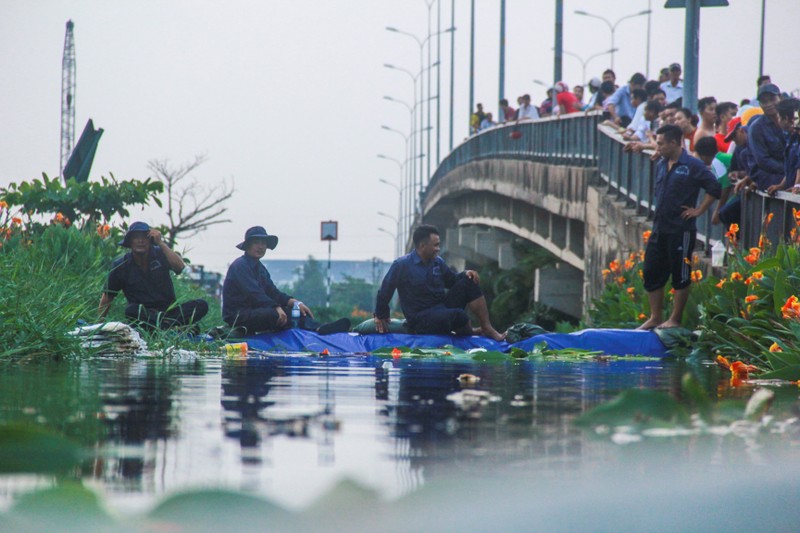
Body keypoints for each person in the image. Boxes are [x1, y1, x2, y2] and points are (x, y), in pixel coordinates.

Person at [637, 125, 721, 330]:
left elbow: (714, 187)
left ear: (674, 142)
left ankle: (675, 318)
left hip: (680, 228)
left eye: (661, 143)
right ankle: (655, 316)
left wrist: (699, 210)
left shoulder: (693, 165)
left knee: (680, 273)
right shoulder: (662, 162)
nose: (658, 147)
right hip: (660, 227)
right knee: (651, 271)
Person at [374, 225, 505, 341]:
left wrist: (466, 273)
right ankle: (469, 333)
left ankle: (487, 328)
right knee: (459, 315)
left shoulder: (438, 262)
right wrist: (381, 315)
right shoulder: (402, 264)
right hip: (420, 318)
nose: (438, 249)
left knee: (469, 282)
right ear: (422, 246)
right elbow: (386, 290)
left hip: (441, 308)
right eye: (435, 245)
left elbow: (452, 281)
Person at [222, 226, 350, 335]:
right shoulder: (240, 266)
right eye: (256, 242)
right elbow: (254, 294)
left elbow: (273, 292)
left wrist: (293, 302)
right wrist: (276, 307)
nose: (260, 246)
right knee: (274, 314)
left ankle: (321, 328)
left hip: (256, 311)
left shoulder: (260, 269)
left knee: (296, 312)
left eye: (263, 243)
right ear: (248, 245)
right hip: (238, 316)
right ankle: (313, 328)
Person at [99, 221, 209, 330]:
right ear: (130, 241)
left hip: (169, 312)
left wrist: (161, 243)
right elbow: (108, 296)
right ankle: (172, 327)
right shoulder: (121, 265)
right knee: (131, 311)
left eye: (144, 237)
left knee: (201, 305)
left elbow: (179, 267)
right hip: (144, 315)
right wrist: (99, 323)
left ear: (150, 240)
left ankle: (165, 325)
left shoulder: (160, 254)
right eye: (136, 237)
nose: (140, 241)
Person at [747, 83, 786, 192]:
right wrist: (788, 171)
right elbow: (763, 161)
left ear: (780, 98)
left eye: (772, 99)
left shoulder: (791, 121)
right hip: (767, 174)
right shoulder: (756, 128)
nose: (769, 104)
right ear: (760, 104)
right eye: (764, 101)